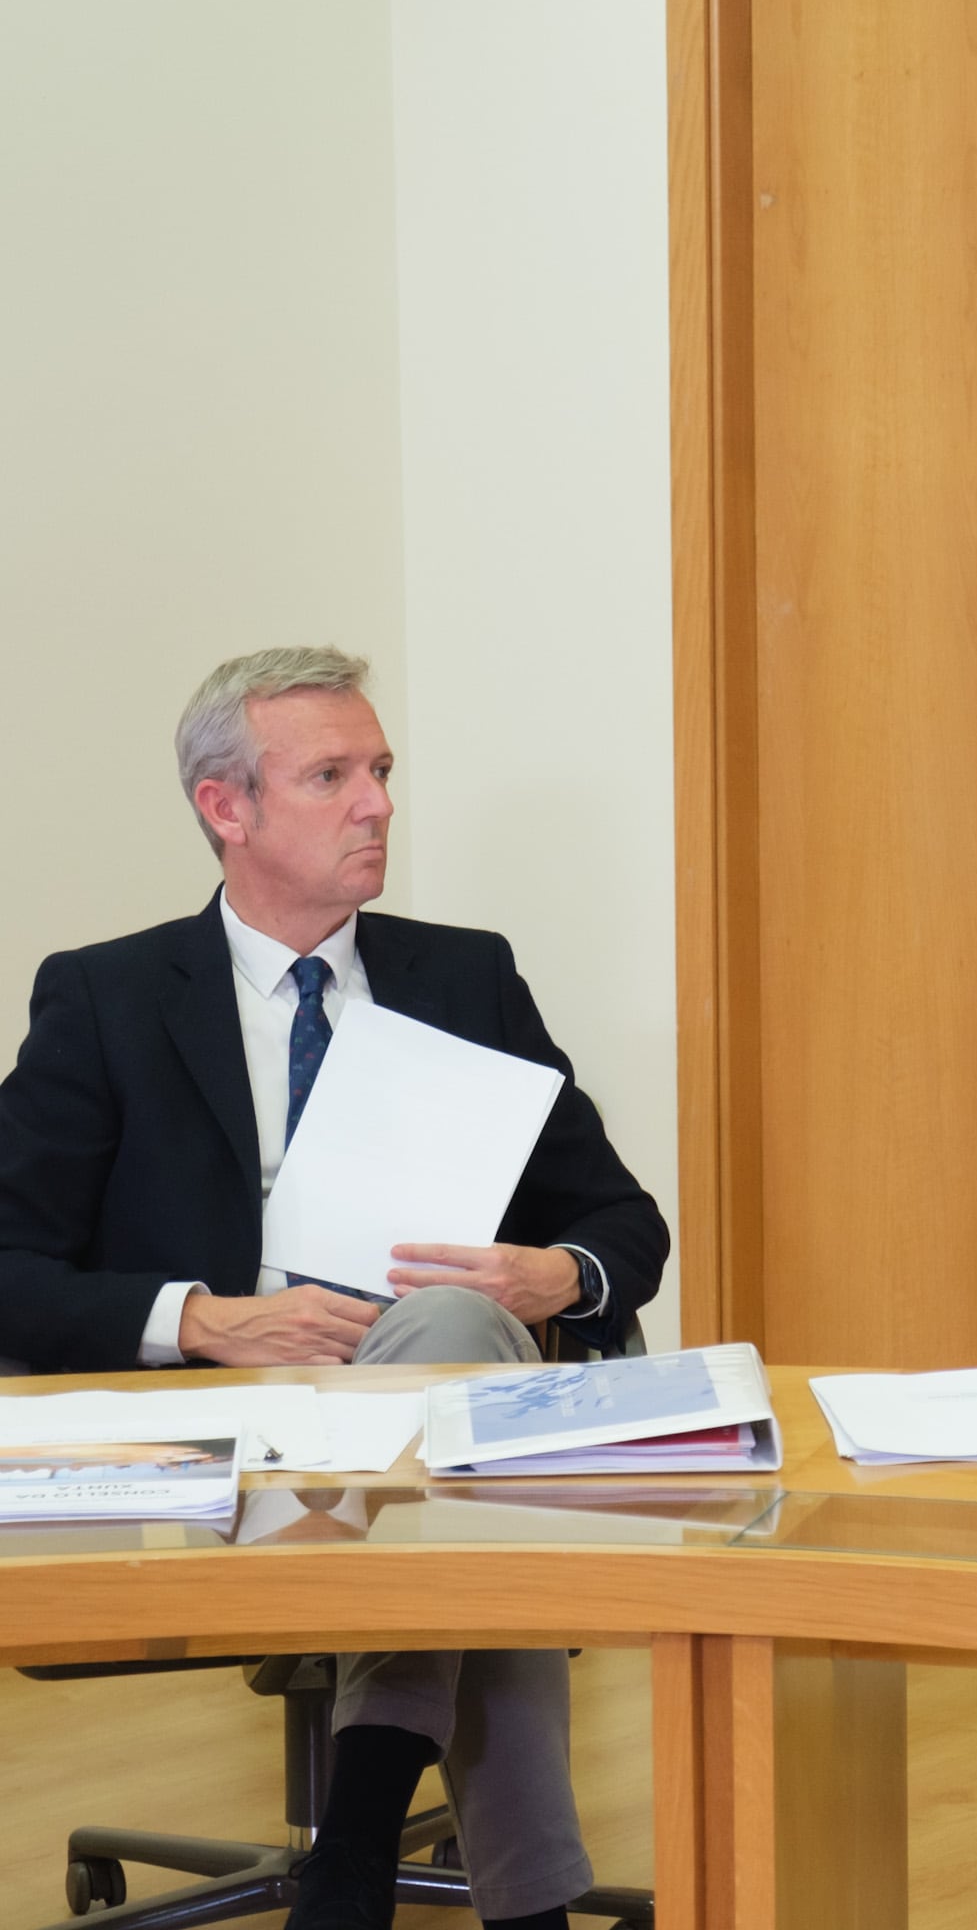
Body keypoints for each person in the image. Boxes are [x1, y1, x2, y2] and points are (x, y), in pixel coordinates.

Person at [0, 646, 668, 1928]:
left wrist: (555, 1272)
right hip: (218, 1430)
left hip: (433, 1399)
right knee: (482, 1479)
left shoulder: (465, 977)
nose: (378, 803)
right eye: (333, 775)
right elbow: (7, 1266)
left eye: (381, 771)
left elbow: (620, 1223)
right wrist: (201, 1314)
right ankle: (514, 1900)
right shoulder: (108, 995)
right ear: (227, 807)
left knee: (455, 1333)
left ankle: (355, 1836)